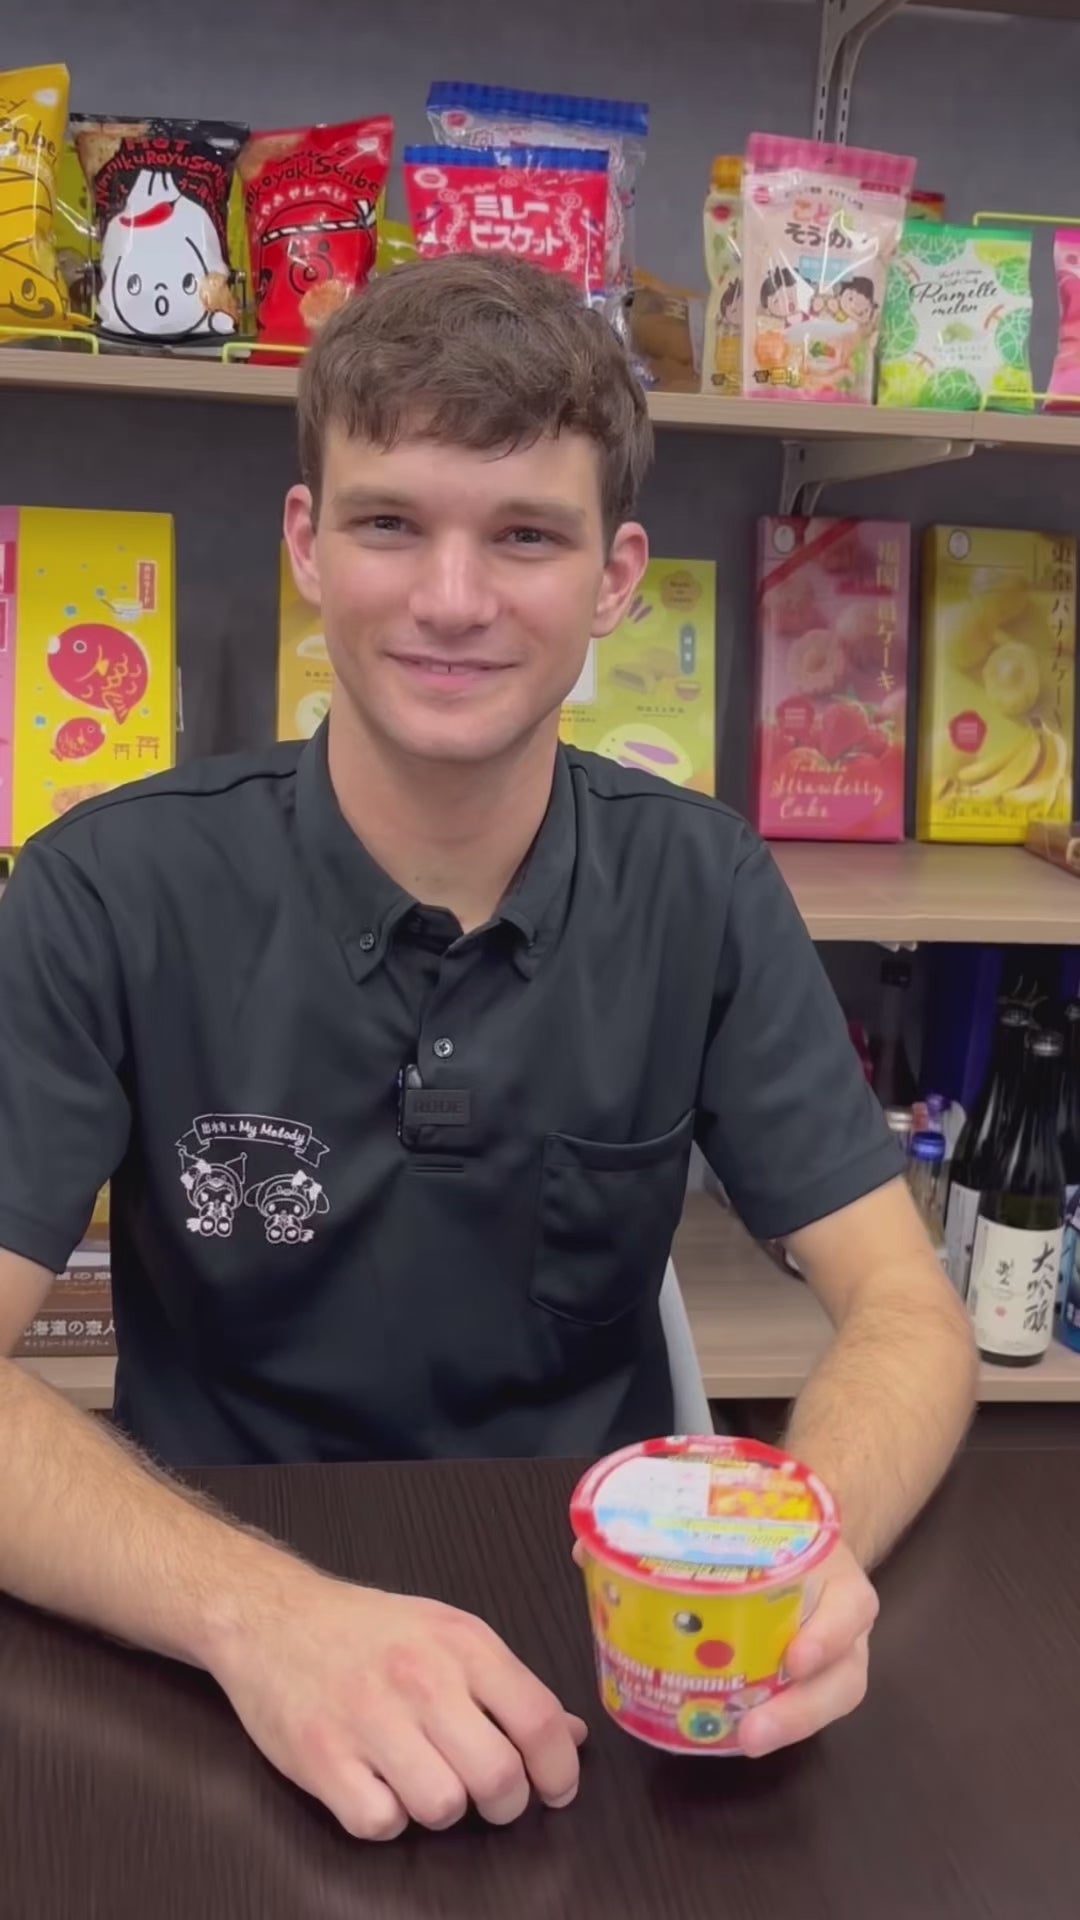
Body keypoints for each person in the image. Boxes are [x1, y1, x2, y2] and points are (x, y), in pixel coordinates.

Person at [0, 254, 976, 1842]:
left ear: (616, 577)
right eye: (391, 523)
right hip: (200, 1625)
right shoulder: (105, 890)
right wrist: (263, 1621)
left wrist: (807, 1553)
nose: (452, 601)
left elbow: (909, 1314)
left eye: (525, 535)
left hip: (609, 1654)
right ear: (308, 544)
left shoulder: (703, 886)